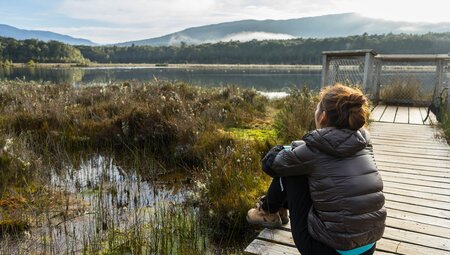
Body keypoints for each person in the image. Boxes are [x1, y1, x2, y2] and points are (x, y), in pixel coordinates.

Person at [247, 84, 386, 255]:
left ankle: (268, 211)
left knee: (291, 169)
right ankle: (277, 210)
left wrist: (284, 148)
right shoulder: (364, 142)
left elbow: (270, 165)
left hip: (327, 251)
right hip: (368, 247)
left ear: (323, 116)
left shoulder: (313, 150)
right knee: (306, 167)